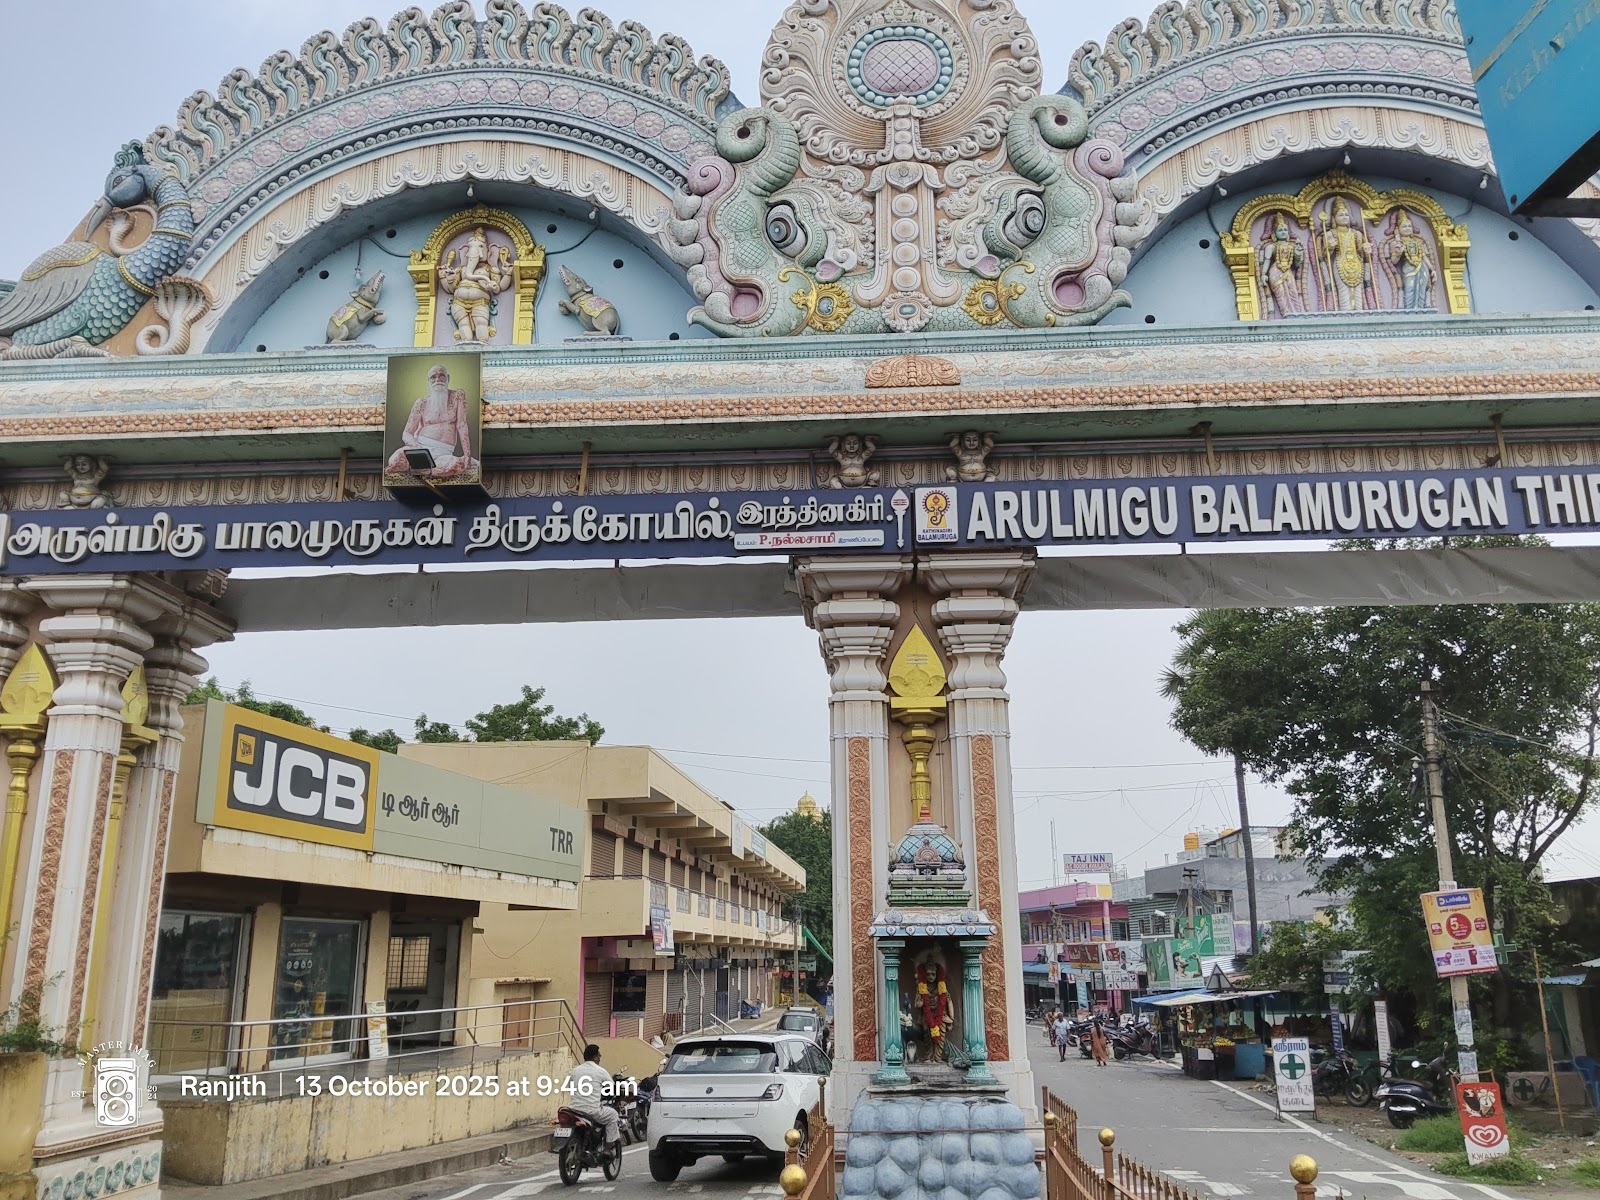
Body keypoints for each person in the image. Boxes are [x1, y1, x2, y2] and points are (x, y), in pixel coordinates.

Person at [386, 364, 478, 478]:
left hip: (443, 452)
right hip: (420, 448)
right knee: (395, 460)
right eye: (433, 377)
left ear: (448, 378)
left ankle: (421, 470)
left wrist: (467, 455)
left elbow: (462, 425)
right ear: (429, 380)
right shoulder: (421, 402)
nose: (437, 379)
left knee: (458, 465)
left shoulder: (457, 396)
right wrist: (418, 448)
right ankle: (423, 468)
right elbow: (407, 433)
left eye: (441, 375)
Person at [564, 1043, 622, 1154]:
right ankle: (607, 1149)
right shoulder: (600, 1071)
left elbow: (569, 1086)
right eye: (599, 1056)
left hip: (574, 1110)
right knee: (613, 1115)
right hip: (592, 1111)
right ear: (595, 1057)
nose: (600, 1058)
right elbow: (612, 1088)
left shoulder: (575, 1070)